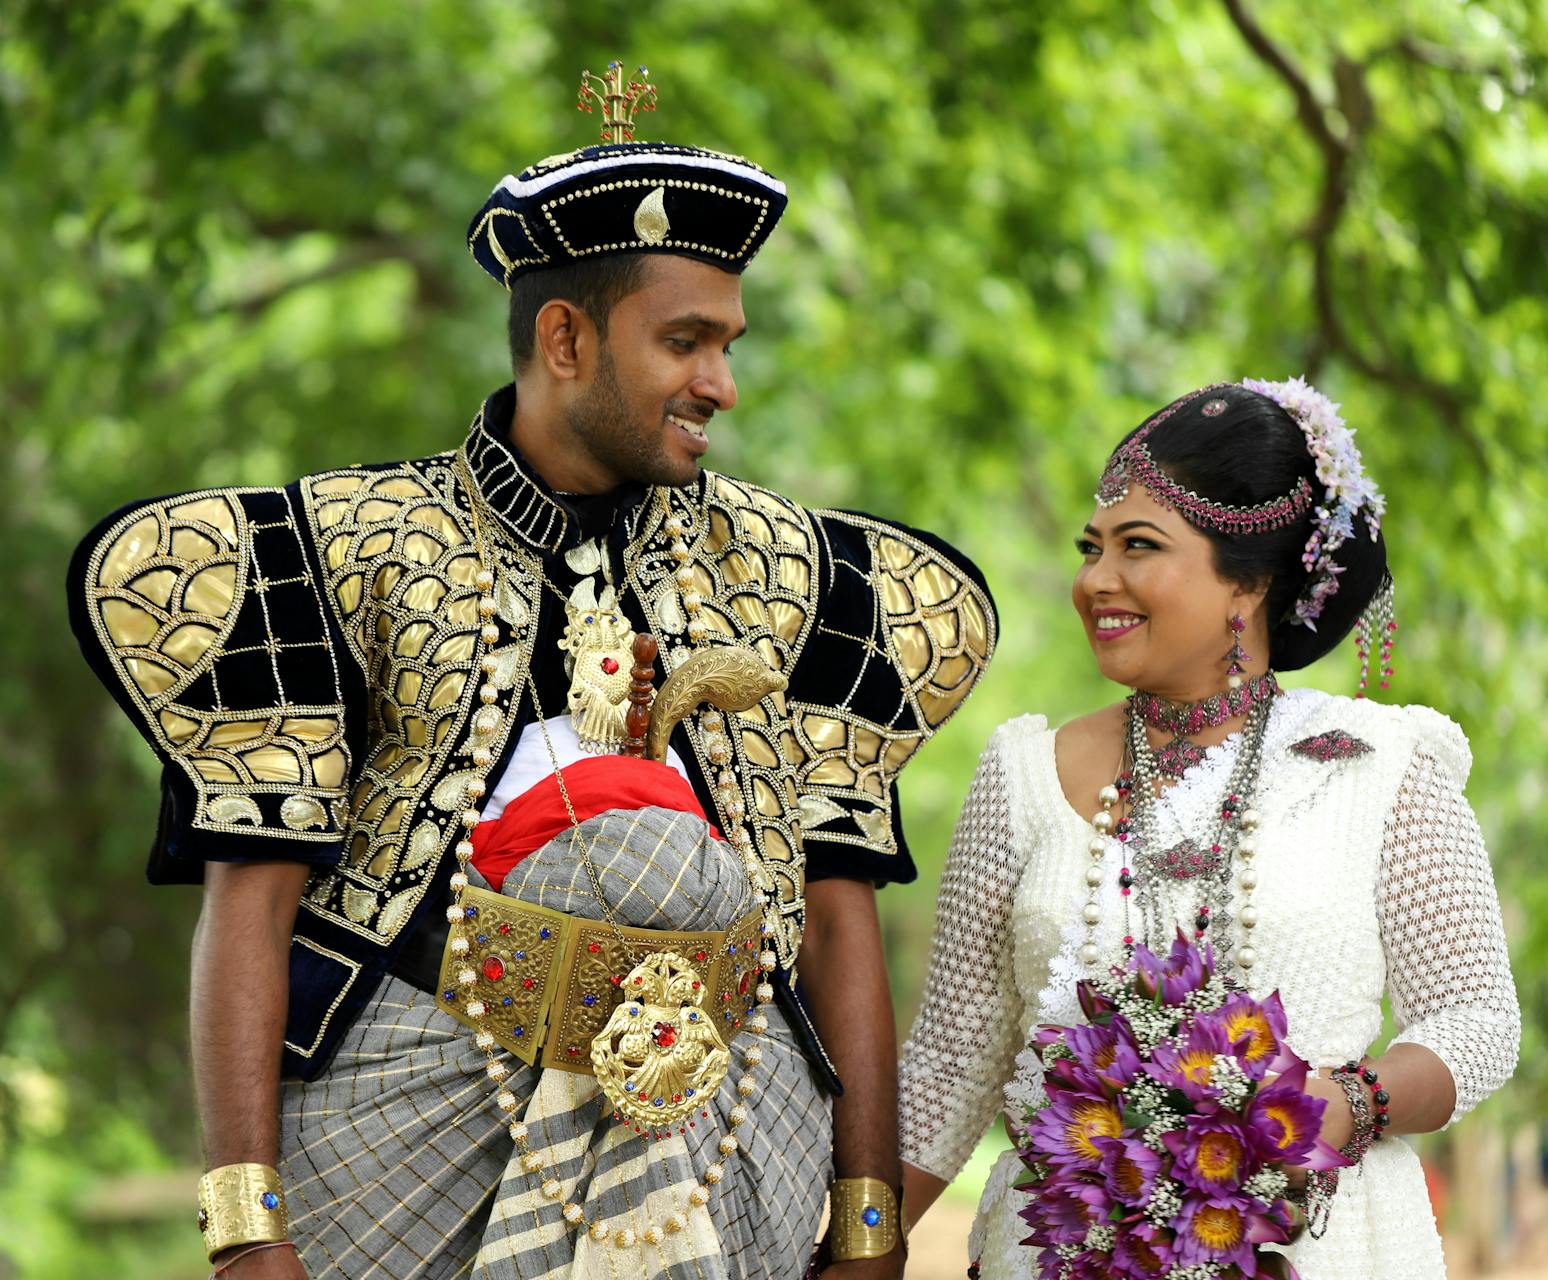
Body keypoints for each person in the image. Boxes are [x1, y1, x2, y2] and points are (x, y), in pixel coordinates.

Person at [67, 63, 995, 1280]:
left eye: (726, 343)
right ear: (564, 337)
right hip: (388, 1151)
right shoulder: (344, 549)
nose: (720, 382)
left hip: (730, 1138)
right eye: (685, 341)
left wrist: (870, 1228)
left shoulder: (791, 574)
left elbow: (834, 911)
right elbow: (251, 901)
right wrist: (247, 1229)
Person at [894, 380, 1519, 1278]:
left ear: (1251, 582)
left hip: (1317, 1243)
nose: (1095, 581)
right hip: (1061, 1252)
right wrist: (863, 1244)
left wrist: (1343, 1102)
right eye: (1091, 549)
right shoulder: (1023, 774)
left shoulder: (1378, 766)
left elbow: (1477, 1019)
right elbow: (949, 1069)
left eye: (1139, 547)